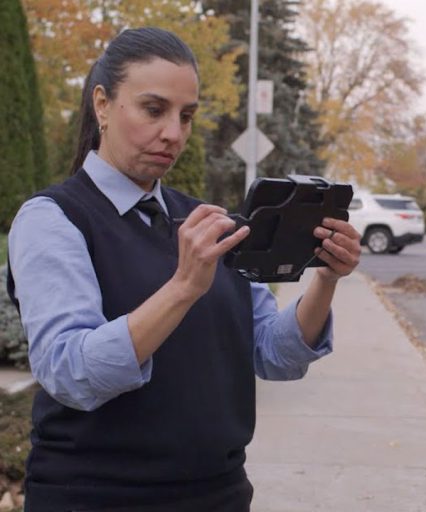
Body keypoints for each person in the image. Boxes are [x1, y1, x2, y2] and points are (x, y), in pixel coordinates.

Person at [5, 27, 361, 511]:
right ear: (103, 105)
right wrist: (182, 288)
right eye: (154, 110)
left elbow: (273, 355)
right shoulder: (54, 219)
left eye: (186, 116)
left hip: (219, 494)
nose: (174, 133)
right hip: (97, 497)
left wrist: (325, 278)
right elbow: (69, 372)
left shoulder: (204, 220)